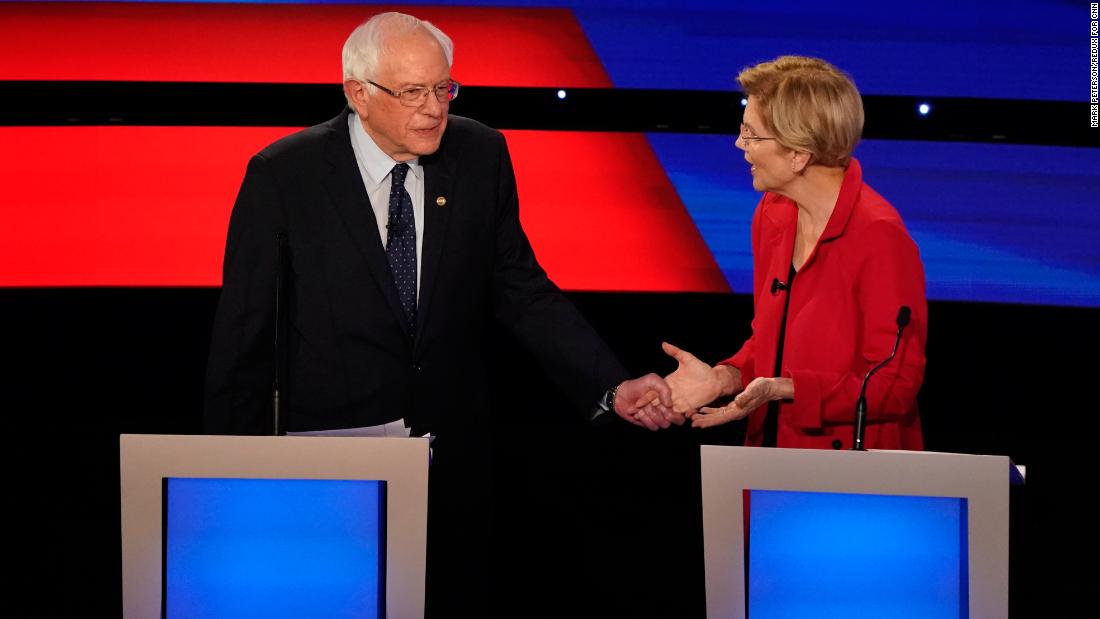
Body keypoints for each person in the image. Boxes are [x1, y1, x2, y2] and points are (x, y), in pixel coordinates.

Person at [203, 11, 680, 616]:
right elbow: (244, 332)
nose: (434, 109)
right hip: (328, 460)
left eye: (443, 88)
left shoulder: (481, 153)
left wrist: (610, 383)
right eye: (412, 92)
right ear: (359, 94)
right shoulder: (284, 174)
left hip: (449, 459)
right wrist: (224, 472)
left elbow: (520, 286)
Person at [660, 56, 926, 450]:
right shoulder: (773, 212)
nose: (739, 144)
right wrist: (724, 378)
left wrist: (787, 389)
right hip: (771, 451)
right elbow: (769, 341)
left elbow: (894, 385)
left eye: (751, 135)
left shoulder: (879, 235)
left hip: (854, 469)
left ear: (798, 154)